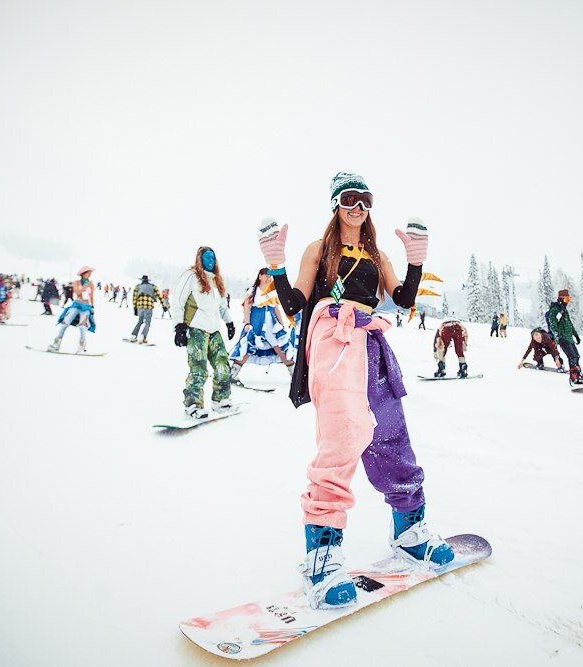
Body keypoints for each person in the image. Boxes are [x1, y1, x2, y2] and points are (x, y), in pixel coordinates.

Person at [257, 173, 454, 611]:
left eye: (365, 200)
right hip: (331, 340)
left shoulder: (375, 253)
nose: (358, 207)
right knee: (344, 436)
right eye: (350, 198)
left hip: (370, 340)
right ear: (334, 204)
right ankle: (321, 558)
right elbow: (294, 305)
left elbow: (400, 299)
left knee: (390, 435)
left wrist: (415, 261)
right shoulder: (318, 250)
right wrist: (276, 265)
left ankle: (409, 531)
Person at [171, 247, 236, 418]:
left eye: (213, 257)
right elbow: (178, 301)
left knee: (223, 366)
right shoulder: (191, 276)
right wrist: (178, 327)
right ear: (199, 259)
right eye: (207, 257)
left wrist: (229, 322)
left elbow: (221, 306)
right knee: (198, 368)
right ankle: (193, 405)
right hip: (196, 329)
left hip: (214, 330)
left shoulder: (216, 280)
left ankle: (220, 400)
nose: (210, 261)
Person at [229, 268, 296, 380]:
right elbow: (247, 308)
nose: (268, 279)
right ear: (260, 276)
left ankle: (294, 376)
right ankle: (232, 374)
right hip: (256, 324)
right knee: (248, 348)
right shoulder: (252, 292)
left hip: (272, 326)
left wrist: (281, 324)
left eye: (270, 277)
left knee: (281, 348)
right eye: (266, 276)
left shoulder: (272, 292)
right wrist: (247, 323)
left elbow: (276, 310)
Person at [546, 289, 583, 386]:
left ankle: (578, 375)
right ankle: (574, 377)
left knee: (576, 356)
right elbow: (553, 324)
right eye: (566, 300)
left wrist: (576, 335)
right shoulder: (555, 310)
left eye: (569, 299)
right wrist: (557, 336)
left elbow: (569, 324)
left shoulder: (564, 310)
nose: (568, 302)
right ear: (560, 299)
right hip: (562, 337)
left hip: (569, 337)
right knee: (572, 356)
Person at [49, 267, 97, 352]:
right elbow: (77, 293)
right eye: (88, 273)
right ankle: (56, 343)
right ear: (83, 273)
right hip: (76, 305)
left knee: (83, 326)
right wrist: (86, 286)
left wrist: (93, 306)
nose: (89, 275)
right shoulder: (77, 283)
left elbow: (91, 296)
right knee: (65, 323)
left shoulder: (91, 285)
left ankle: (81, 346)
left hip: (86, 307)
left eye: (90, 273)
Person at [129, 275, 168, 343]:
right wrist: (164, 306)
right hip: (148, 307)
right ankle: (143, 336)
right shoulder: (153, 286)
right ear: (148, 280)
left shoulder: (137, 287)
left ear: (142, 280)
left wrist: (135, 309)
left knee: (140, 321)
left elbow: (134, 299)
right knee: (147, 323)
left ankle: (133, 336)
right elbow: (159, 297)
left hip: (140, 307)